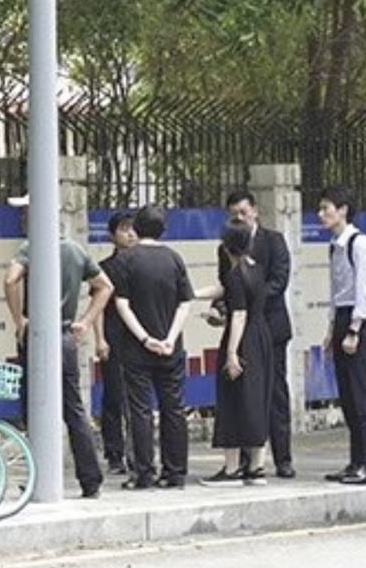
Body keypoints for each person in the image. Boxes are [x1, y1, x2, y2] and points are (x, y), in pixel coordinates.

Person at [3, 194, 113, 499]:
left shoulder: (32, 247)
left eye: (26, 212)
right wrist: (86, 321)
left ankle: (40, 478)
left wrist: (19, 320)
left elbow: (10, 279)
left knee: (33, 408)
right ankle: (91, 480)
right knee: (74, 410)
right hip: (65, 337)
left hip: (38, 337)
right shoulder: (75, 250)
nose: (23, 218)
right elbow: (105, 286)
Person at [208, 191, 295, 478]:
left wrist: (248, 300)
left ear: (255, 211)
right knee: (240, 394)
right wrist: (221, 309)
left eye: (244, 212)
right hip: (240, 327)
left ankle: (282, 458)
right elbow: (226, 286)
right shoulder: (226, 248)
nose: (240, 218)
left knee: (273, 393)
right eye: (234, 214)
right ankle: (245, 461)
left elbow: (278, 282)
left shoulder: (274, 241)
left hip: (269, 325)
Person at [113, 205, 194, 490]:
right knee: (174, 409)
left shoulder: (127, 260)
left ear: (136, 228)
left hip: (136, 350)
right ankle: (176, 473)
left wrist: (145, 338)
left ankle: (144, 473)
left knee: (140, 410)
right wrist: (170, 338)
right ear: (163, 229)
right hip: (172, 349)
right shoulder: (174, 259)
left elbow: (122, 304)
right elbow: (185, 302)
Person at [195, 220, 273, 486]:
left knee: (231, 400)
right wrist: (192, 294)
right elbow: (225, 290)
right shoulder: (256, 269)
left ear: (227, 248)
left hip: (242, 339)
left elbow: (238, 314)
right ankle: (257, 467)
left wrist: (231, 354)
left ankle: (231, 469)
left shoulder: (234, 274)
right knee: (256, 399)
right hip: (262, 337)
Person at [319, 185, 366, 485]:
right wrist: (331, 329)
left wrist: (355, 329)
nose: (322, 214)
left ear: (342, 210)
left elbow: (364, 289)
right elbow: (335, 289)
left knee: (362, 394)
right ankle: (356, 461)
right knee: (347, 396)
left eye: (326, 208)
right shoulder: (335, 245)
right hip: (342, 317)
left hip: (358, 320)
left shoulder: (359, 243)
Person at [93, 210, 137, 475]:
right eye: (124, 229)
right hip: (113, 336)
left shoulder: (143, 264)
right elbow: (97, 305)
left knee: (138, 399)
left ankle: (137, 451)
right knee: (113, 398)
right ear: (112, 235)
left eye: (133, 228)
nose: (130, 233)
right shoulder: (104, 269)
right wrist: (99, 339)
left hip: (139, 339)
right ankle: (114, 454)